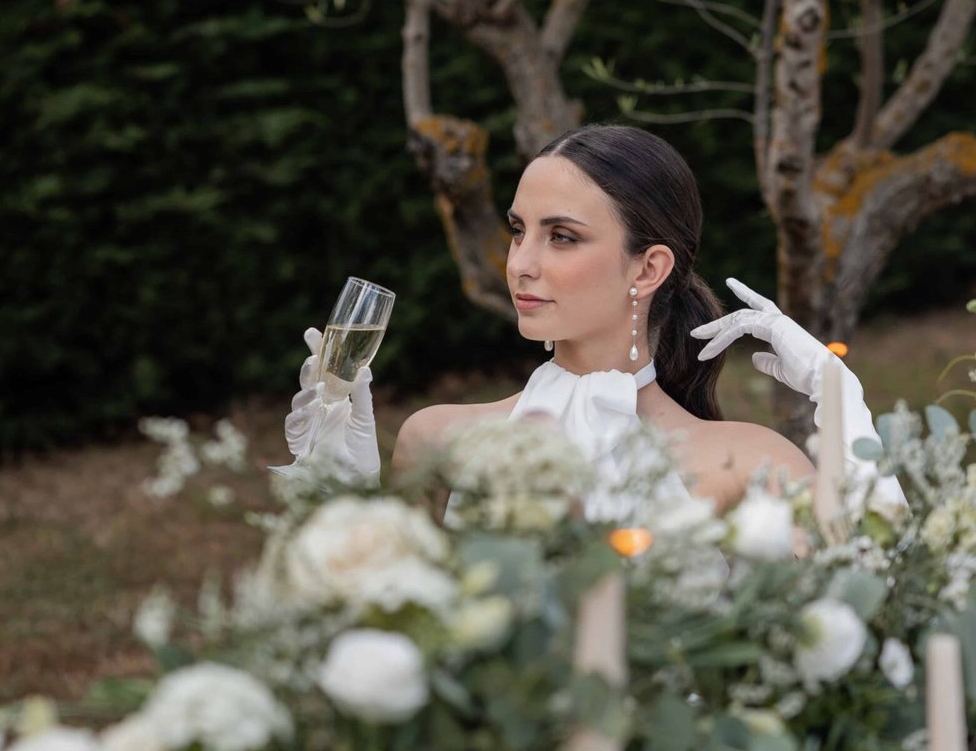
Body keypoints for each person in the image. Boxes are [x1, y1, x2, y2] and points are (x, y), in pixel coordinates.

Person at [284, 124, 904, 517]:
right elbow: (393, 644)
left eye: (562, 237)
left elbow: (875, 608)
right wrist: (339, 498)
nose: (520, 264)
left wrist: (838, 396)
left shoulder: (747, 462)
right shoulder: (437, 439)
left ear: (648, 268)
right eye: (519, 231)